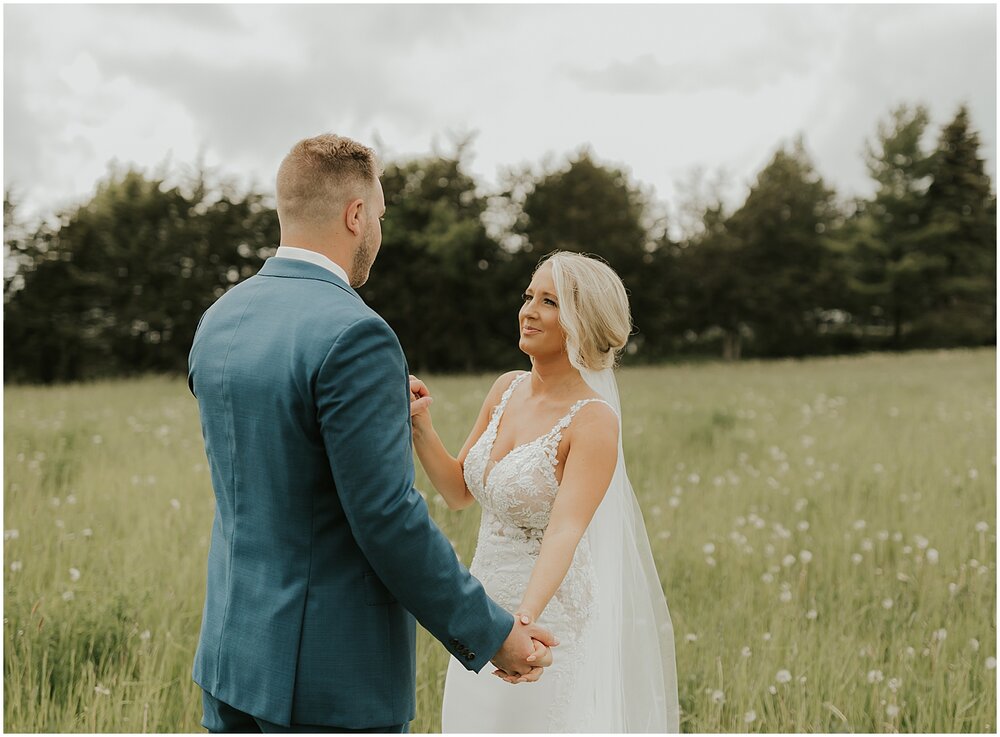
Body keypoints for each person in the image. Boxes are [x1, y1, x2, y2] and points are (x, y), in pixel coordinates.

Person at [187, 133, 557, 734]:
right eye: (379, 216)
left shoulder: (219, 317)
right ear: (356, 215)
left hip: (231, 658)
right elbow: (387, 518)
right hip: (327, 680)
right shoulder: (357, 335)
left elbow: (270, 459)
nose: (379, 233)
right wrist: (493, 634)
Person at [408, 251, 681, 732]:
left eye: (549, 301)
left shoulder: (593, 420)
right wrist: (421, 424)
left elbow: (565, 531)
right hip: (478, 614)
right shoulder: (505, 389)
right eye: (528, 296)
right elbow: (458, 492)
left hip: (544, 620)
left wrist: (522, 623)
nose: (529, 310)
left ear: (582, 321)